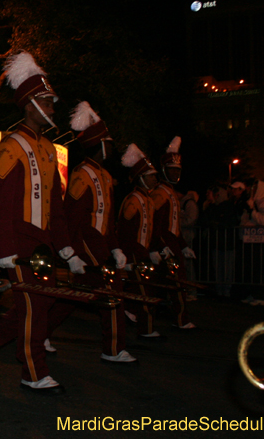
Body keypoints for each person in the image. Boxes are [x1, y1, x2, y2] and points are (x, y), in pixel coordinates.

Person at [0, 51, 85, 395]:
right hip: (18, 242)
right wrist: (5, 250)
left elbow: (55, 207)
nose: (52, 109)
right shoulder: (12, 145)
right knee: (35, 306)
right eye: (46, 103)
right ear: (30, 105)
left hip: (42, 245)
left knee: (39, 304)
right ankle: (33, 371)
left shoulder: (48, 148)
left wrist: (66, 248)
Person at [46, 102, 136, 363]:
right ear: (99, 144)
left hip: (100, 247)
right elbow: (72, 218)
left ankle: (40, 333)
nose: (112, 147)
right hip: (87, 246)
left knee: (75, 297)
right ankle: (113, 349)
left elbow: (107, 220)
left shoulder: (105, 176)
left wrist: (115, 247)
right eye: (108, 143)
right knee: (112, 295)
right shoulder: (81, 174)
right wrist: (74, 253)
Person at [117, 144, 166, 338]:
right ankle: (146, 329)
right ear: (141, 178)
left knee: (142, 289)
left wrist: (154, 249)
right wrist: (129, 257)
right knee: (144, 292)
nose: (155, 179)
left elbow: (150, 230)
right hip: (135, 254)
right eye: (151, 176)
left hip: (143, 253)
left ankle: (129, 312)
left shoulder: (148, 200)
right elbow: (125, 231)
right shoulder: (133, 200)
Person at [149, 137, 195, 329]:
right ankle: (180, 319)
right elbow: (155, 225)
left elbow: (174, 226)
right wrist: (160, 246)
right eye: (172, 170)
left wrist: (183, 246)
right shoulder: (160, 193)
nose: (176, 173)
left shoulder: (171, 193)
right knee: (176, 284)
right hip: (165, 247)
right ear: (164, 170)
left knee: (163, 285)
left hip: (173, 246)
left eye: (178, 170)